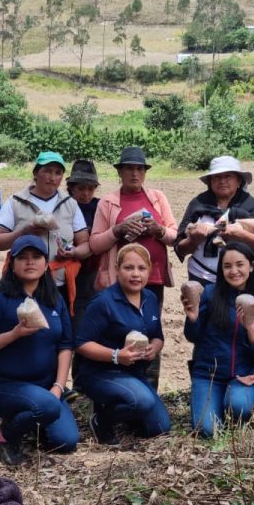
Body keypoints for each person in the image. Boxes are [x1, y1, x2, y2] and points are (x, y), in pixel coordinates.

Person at [0, 235, 79, 466]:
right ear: (12, 263)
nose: (30, 262)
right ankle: (4, 438)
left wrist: (58, 386)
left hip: (45, 386)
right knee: (47, 407)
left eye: (36, 257)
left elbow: (65, 345)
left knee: (66, 441)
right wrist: (14, 334)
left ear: (46, 263)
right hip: (2, 385)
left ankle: (30, 417)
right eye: (23, 258)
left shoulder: (53, 299)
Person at [87, 146, 178, 389]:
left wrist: (157, 230)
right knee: (118, 331)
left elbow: (174, 235)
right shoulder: (108, 202)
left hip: (154, 277)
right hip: (119, 280)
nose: (135, 174)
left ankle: (149, 388)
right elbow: (95, 244)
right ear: (120, 172)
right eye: (129, 169)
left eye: (139, 169)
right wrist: (119, 230)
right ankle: (117, 386)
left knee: (150, 332)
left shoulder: (157, 198)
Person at [74, 244, 171, 445]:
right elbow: (82, 344)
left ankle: (128, 409)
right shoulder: (103, 302)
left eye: (141, 268)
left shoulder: (150, 298)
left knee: (159, 427)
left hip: (135, 373)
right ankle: (102, 418)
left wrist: (155, 347)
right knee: (141, 401)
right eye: (128, 268)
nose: (135, 274)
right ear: (117, 269)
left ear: (149, 271)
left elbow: (158, 335)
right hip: (101, 373)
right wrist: (116, 355)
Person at [182, 242, 254, 438]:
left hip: (242, 376)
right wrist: (193, 318)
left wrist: (252, 328)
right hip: (208, 375)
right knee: (207, 431)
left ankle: (234, 408)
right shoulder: (210, 294)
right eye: (227, 266)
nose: (234, 271)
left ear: (251, 266)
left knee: (239, 406)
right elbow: (192, 336)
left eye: (240, 264)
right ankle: (211, 405)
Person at [0, 151, 90, 310]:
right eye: (47, 171)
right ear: (36, 173)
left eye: (58, 173)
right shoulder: (16, 201)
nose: (52, 177)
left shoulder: (70, 204)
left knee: (57, 331)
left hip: (59, 285)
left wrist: (74, 252)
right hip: (22, 285)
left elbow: (85, 244)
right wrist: (24, 232)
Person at [175, 156, 254, 286]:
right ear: (210, 181)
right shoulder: (198, 203)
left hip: (240, 280)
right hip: (201, 277)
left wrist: (241, 235)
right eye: (217, 177)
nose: (222, 181)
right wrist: (194, 239)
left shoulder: (250, 205)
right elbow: (180, 248)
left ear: (239, 180)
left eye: (228, 176)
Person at [66, 159, 102, 325]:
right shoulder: (64, 206)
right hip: (68, 268)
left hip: (94, 269)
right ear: (72, 187)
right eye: (81, 188)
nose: (86, 193)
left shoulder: (100, 207)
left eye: (90, 188)